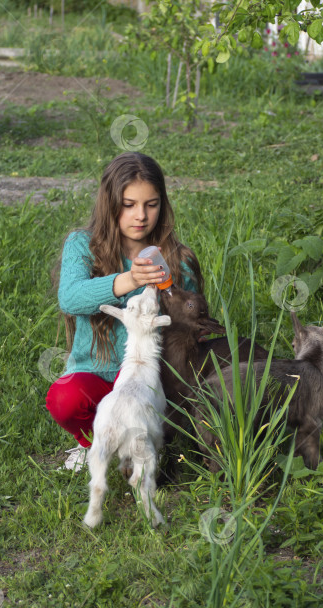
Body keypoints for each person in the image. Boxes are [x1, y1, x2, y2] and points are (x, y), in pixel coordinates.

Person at [46, 151, 205, 471]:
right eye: (129, 204)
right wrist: (128, 279)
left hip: (152, 380)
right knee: (64, 399)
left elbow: (191, 330)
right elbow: (71, 298)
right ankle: (93, 442)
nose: (141, 216)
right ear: (110, 203)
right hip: (98, 375)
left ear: (163, 204)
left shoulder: (177, 259)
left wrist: (170, 298)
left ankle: (151, 445)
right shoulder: (83, 245)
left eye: (152, 204)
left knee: (153, 394)